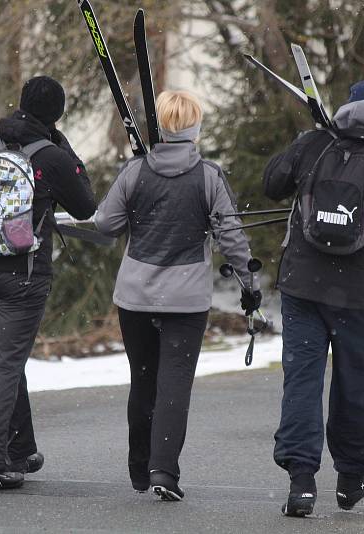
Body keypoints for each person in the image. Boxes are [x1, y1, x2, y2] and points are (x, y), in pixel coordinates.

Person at [263, 79, 364, 516]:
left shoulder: (314, 144)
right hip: (360, 295)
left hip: (303, 287)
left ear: (347, 107)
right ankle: (352, 476)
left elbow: (272, 183)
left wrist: (307, 147)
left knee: (302, 381)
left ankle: (301, 482)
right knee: (354, 384)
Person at [95, 90, 261, 501]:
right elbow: (232, 238)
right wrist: (249, 285)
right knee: (174, 386)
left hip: (135, 296)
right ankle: (163, 472)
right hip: (186, 302)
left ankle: (138, 467)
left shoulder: (134, 171)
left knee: (144, 380)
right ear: (195, 130)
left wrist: (137, 212)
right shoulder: (208, 176)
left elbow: (104, 223)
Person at [0, 76, 97, 491]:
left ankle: (20, 449)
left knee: (5, 359)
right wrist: (66, 151)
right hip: (24, 276)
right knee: (6, 363)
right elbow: (86, 206)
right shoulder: (51, 156)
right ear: (57, 115)